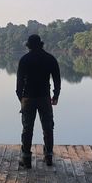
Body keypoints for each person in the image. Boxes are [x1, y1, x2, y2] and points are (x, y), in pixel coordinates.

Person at [16, 34, 61, 168]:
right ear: (41, 44)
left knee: (27, 128)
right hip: (44, 98)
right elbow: (57, 80)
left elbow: (19, 83)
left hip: (28, 98)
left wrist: (21, 98)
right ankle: (48, 157)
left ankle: (26, 158)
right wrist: (56, 95)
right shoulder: (50, 59)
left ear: (29, 46)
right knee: (48, 128)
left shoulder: (24, 59)